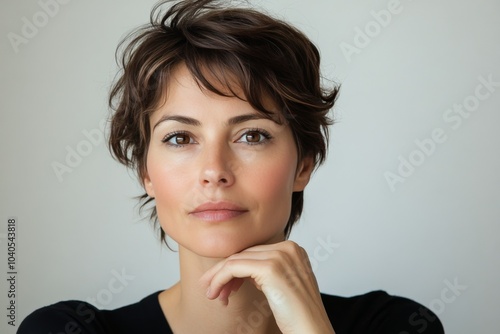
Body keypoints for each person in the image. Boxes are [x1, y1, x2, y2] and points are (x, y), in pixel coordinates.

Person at [18, 0, 444, 333]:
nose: (214, 170)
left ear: (304, 165)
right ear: (146, 173)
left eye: (252, 135)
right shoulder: (66, 329)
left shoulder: (395, 324)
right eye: (180, 138)